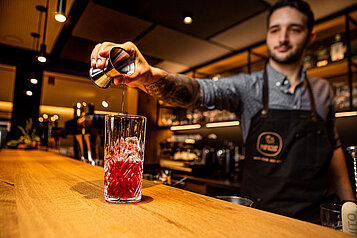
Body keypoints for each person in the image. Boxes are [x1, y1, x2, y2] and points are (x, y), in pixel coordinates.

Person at [90, 0, 355, 223]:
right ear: (268, 36)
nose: (283, 37)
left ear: (310, 37)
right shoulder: (248, 87)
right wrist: (150, 76)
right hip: (260, 218)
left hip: (313, 220)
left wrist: (350, 205)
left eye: (294, 29)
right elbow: (196, 91)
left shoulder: (322, 91)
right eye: (275, 29)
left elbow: (333, 148)